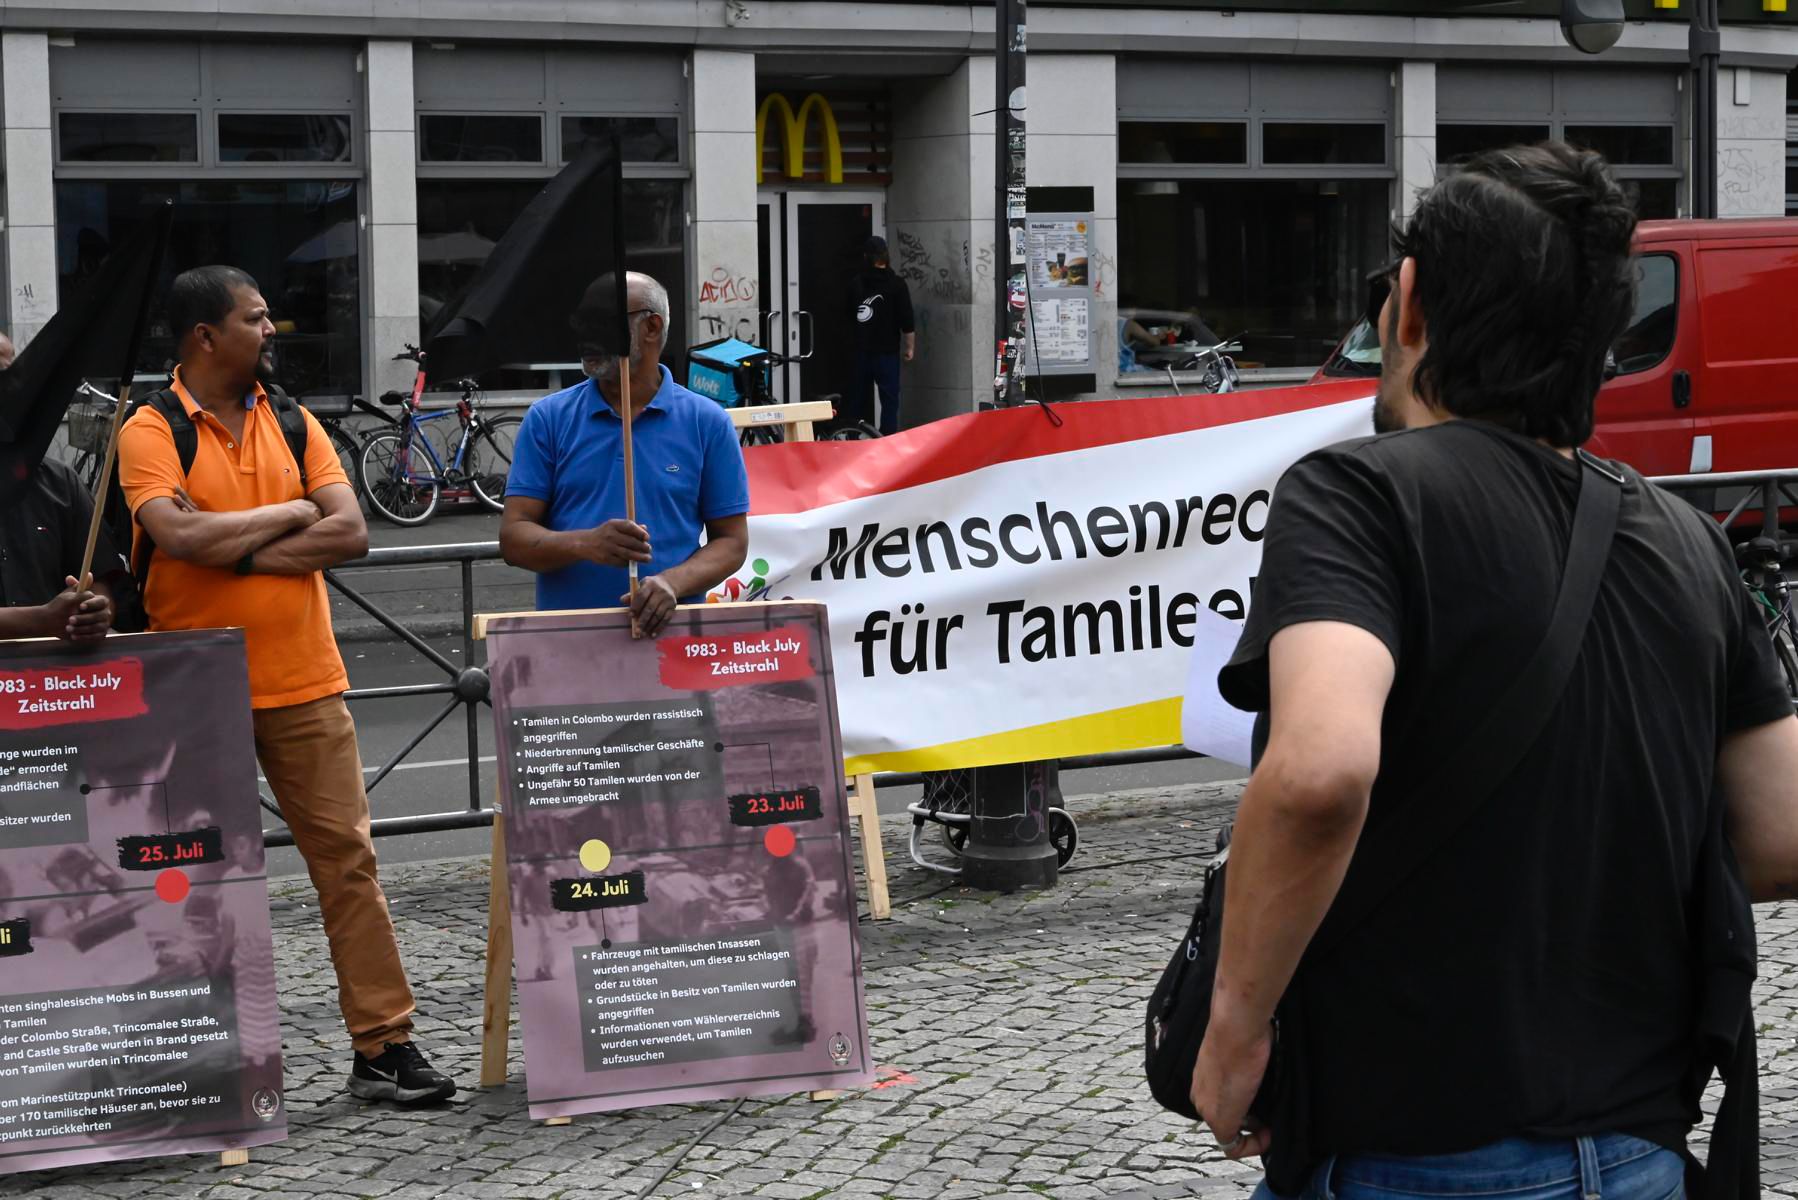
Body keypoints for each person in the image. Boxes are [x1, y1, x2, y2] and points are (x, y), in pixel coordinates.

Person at [1190, 142, 1798, 1198]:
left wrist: (1235, 1028)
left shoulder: (1358, 497)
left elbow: (1321, 772)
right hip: (1638, 1154)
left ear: (1411, 305)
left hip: (1409, 1153)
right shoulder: (1690, 542)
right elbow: (1781, 838)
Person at [116, 265, 456, 1106]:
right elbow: (174, 535)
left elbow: (351, 533)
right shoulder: (151, 428)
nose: (272, 330)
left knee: (348, 865)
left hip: (305, 683)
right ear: (206, 337)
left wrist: (231, 549)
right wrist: (293, 513)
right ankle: (199, 1069)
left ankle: (384, 1046)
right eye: (257, 318)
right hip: (193, 693)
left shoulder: (296, 420)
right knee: (189, 881)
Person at [500, 270, 749, 637]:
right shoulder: (548, 419)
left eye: (602, 322)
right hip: (569, 643)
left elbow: (732, 542)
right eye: (582, 322)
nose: (586, 337)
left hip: (672, 645)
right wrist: (584, 543)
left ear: (651, 327)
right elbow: (513, 539)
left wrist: (672, 582)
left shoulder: (706, 422)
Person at [0, 329, 123, 643]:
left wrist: (93, 613)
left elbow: (100, 581)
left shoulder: (59, 482)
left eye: (11, 375)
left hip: (53, 672)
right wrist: (39, 621)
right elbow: (48, 619)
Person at [848, 237, 915, 437]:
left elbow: (847, 317)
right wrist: (910, 347)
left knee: (857, 398)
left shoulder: (856, 283)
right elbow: (907, 319)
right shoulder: (897, 284)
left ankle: (852, 436)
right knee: (889, 401)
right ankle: (886, 439)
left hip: (861, 351)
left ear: (866, 257)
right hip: (887, 352)